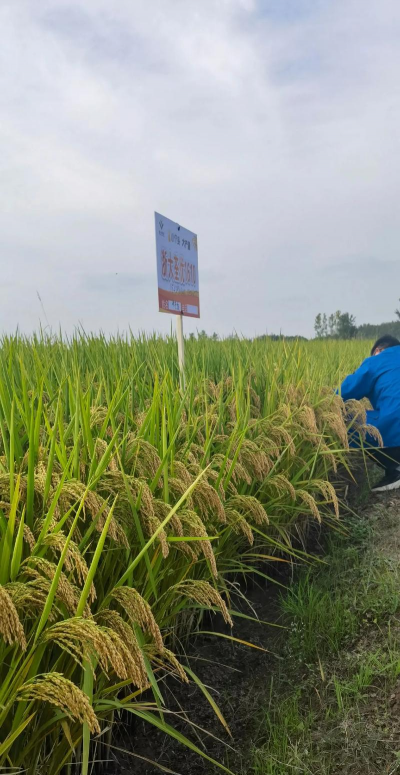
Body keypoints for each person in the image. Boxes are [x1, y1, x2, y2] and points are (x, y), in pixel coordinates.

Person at [339, 334, 400, 492]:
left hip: (396, 432)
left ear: (378, 350)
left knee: (340, 417)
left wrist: (317, 403)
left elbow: (342, 394)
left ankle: (396, 467)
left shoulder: (376, 361)